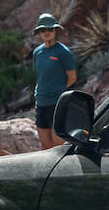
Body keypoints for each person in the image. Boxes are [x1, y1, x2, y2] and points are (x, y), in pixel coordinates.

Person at [31, 13, 77, 148]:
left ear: (55, 30)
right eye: (43, 30)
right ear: (39, 32)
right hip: (41, 103)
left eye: (50, 29)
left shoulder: (64, 52)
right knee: (45, 146)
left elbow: (72, 77)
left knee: (58, 145)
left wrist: (58, 90)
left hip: (57, 103)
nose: (47, 33)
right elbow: (40, 76)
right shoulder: (37, 53)